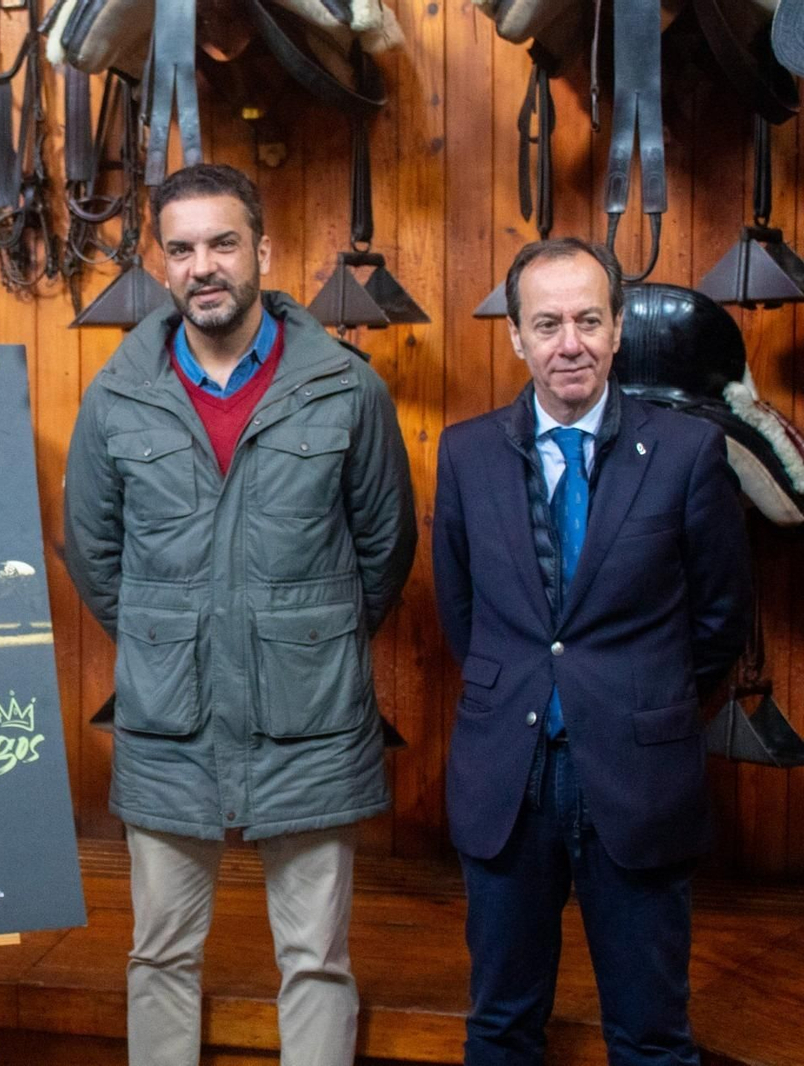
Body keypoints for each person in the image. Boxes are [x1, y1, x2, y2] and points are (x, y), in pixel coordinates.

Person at [63, 162, 417, 1066]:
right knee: (161, 955)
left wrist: (304, 643)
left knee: (316, 961)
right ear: (162, 264)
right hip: (168, 724)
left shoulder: (347, 389)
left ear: (262, 250)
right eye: (180, 249)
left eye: (222, 243)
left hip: (310, 725)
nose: (202, 266)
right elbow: (97, 559)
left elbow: (383, 552)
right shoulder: (115, 397)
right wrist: (174, 640)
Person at [433, 238, 751, 1066]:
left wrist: (641, 699)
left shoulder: (686, 452)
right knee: (500, 1027)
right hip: (509, 775)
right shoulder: (465, 453)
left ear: (616, 330)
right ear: (516, 337)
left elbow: (720, 618)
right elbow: (463, 615)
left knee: (650, 1037)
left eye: (586, 320)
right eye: (546, 324)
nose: (567, 342)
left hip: (637, 779)